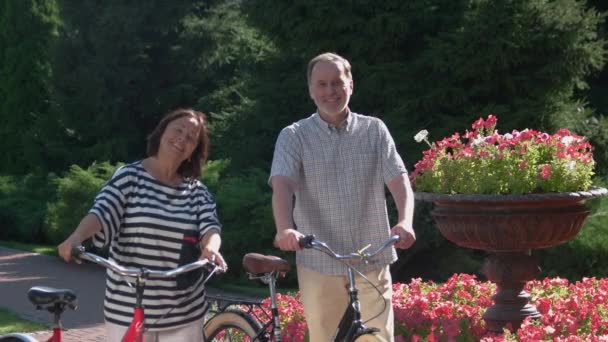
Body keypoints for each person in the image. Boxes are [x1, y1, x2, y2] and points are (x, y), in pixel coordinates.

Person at [270, 52, 416, 341]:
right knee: (326, 336)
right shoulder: (294, 135)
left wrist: (406, 220)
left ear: (351, 84)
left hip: (371, 257)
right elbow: (283, 185)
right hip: (319, 259)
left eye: (337, 82)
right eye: (321, 84)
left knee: (377, 337)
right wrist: (285, 228)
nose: (330, 91)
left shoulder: (374, 130)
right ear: (311, 90)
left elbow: (399, 180)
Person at [58, 108, 226, 341]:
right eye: (178, 130)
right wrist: (77, 236)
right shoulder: (130, 177)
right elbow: (102, 211)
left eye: (191, 138)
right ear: (161, 133)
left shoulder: (196, 192)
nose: (182, 138)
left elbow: (210, 227)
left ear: (192, 152)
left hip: (183, 313)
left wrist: (211, 248)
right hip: (127, 310)